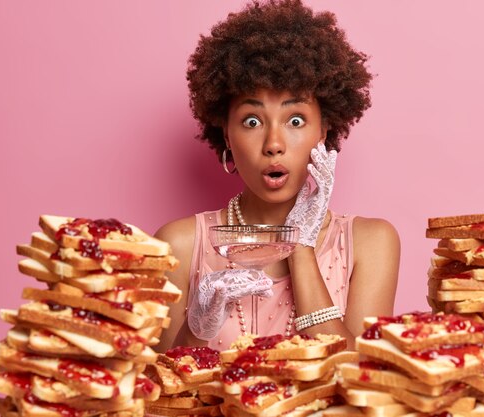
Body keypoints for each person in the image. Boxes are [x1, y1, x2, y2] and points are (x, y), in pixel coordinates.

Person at [156, 0, 400, 352]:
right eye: (252, 121)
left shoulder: (370, 243)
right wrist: (197, 328)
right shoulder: (178, 245)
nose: (273, 144)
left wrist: (299, 244)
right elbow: (162, 398)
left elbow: (364, 380)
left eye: (295, 120)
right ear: (226, 134)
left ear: (323, 130)